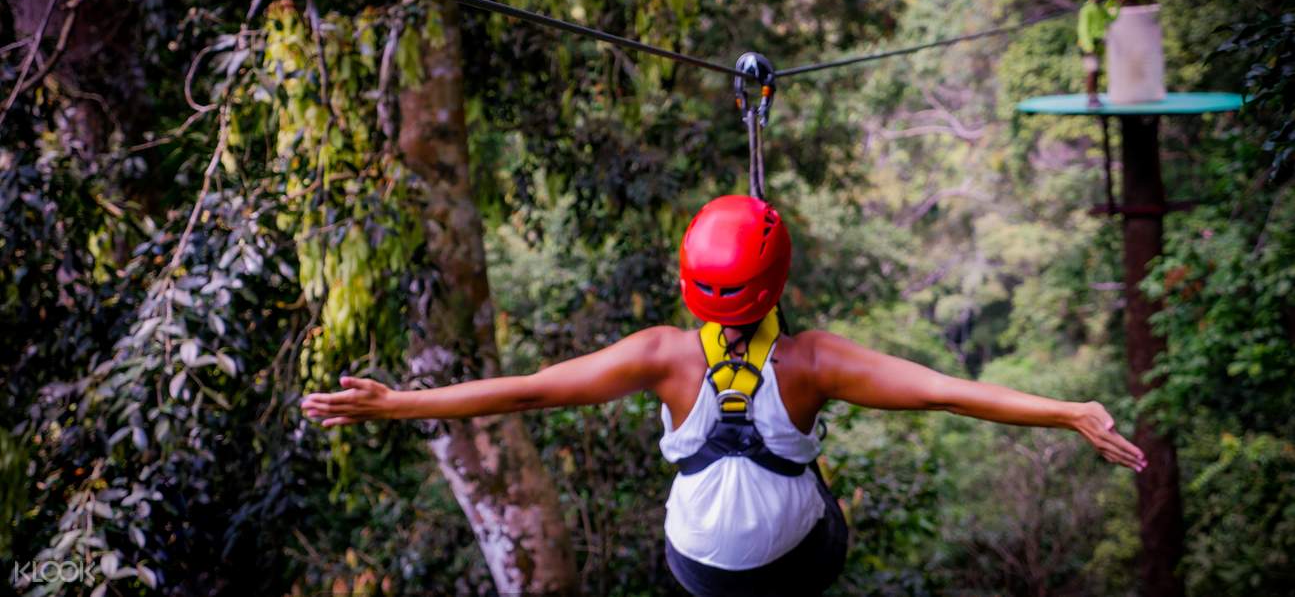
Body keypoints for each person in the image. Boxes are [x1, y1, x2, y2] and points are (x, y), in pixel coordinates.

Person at [301, 194, 1146, 596]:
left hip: (697, 569)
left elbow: (527, 391)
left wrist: (396, 402)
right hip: (796, 566)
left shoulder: (661, 355)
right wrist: (1069, 411)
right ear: (779, 280)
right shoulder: (816, 363)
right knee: (818, 499)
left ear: (689, 283)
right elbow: (949, 394)